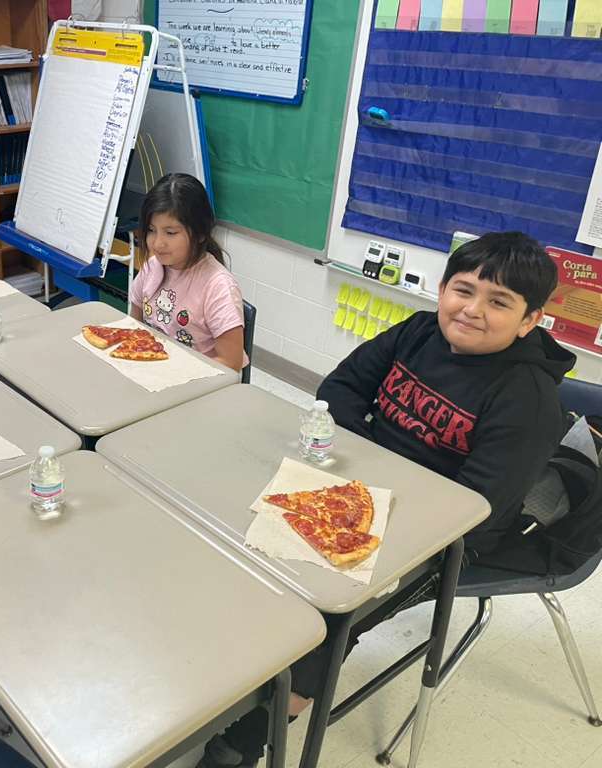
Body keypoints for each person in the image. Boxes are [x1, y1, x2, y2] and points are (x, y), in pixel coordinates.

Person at [199, 231, 575, 767]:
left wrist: (378, 497)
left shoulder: (527, 398)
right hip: (361, 488)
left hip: (443, 534)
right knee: (239, 520)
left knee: (334, 612)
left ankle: (253, 733)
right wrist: (366, 476)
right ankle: (233, 664)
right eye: (463, 290)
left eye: (499, 302)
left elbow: (477, 507)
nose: (472, 310)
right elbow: (340, 388)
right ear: (443, 288)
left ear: (529, 320)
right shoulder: (421, 330)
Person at [130, 173, 247, 371]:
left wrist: (172, 369)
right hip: (154, 372)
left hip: (197, 383)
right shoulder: (152, 266)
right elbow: (135, 327)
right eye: (151, 230)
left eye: (171, 233)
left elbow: (231, 364)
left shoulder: (218, 286)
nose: (158, 243)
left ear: (200, 233)